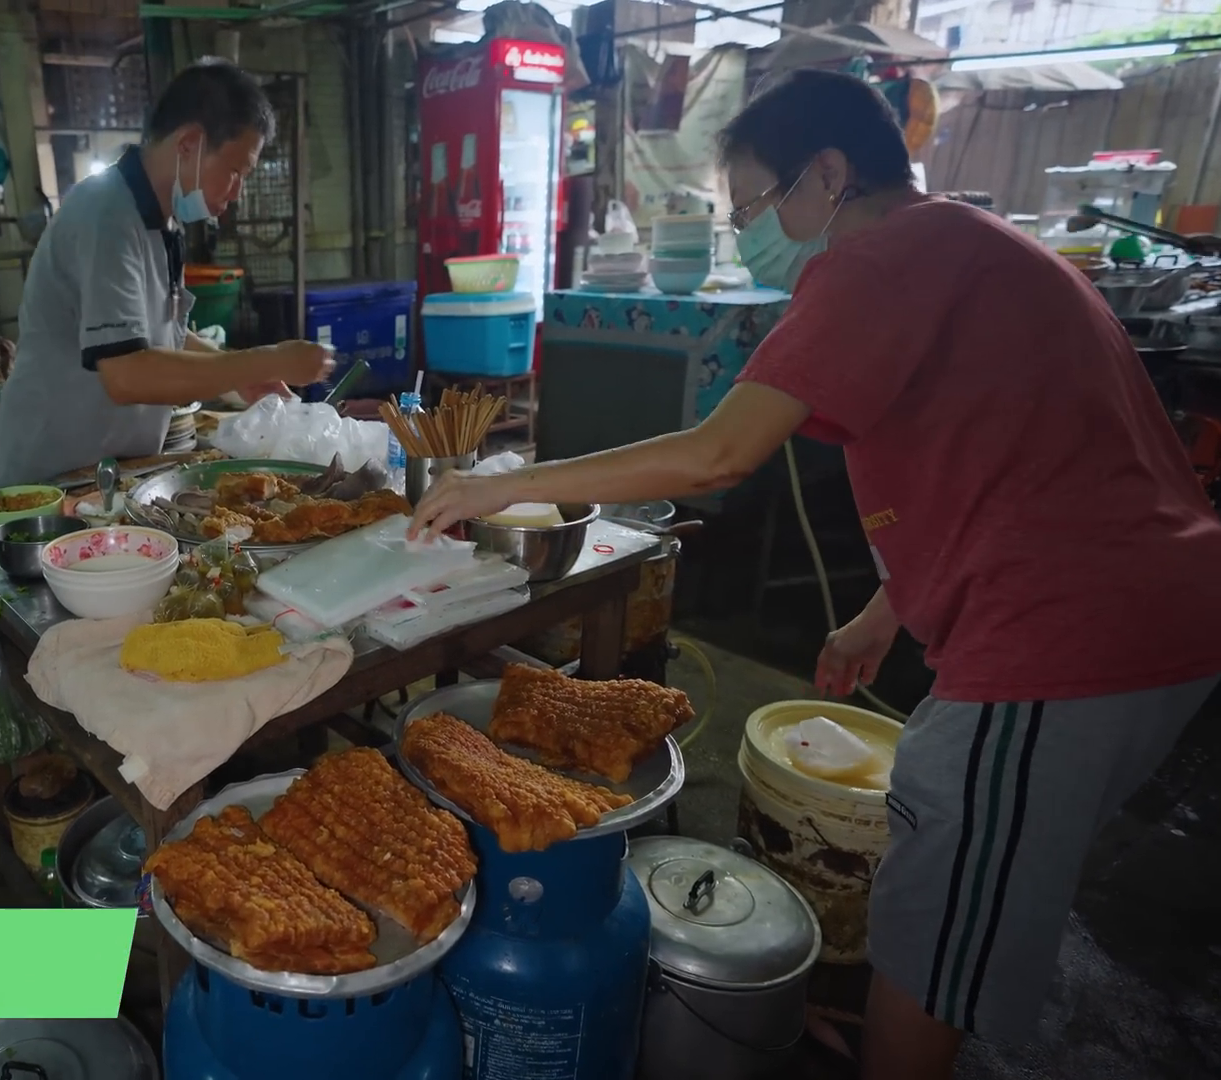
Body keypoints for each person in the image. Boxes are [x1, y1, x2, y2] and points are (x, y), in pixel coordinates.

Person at [411, 69, 1221, 1080]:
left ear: (829, 174)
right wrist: (888, 612)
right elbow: (1018, 462)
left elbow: (718, 454)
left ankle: (903, 1039)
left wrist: (505, 485)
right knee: (949, 883)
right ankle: (896, 1021)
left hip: (1070, 634)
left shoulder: (879, 261)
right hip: (1134, 607)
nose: (750, 231)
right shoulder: (975, 244)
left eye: (753, 205)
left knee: (940, 918)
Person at [0, 59, 334, 488]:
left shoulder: (160, 221)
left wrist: (242, 374)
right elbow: (127, 372)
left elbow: (161, 334)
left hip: (104, 474)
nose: (237, 192)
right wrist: (266, 359)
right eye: (235, 171)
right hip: (48, 484)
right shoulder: (106, 213)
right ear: (189, 143)